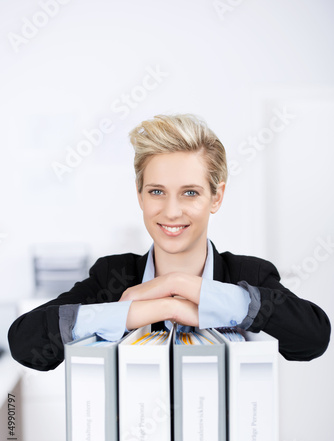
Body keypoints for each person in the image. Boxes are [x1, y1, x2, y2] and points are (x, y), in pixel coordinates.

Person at [8, 114, 331, 371]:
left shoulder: (248, 273)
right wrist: (139, 309)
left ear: (216, 196)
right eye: (156, 192)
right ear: (140, 195)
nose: (171, 211)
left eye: (190, 192)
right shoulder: (112, 277)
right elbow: (26, 344)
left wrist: (186, 287)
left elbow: (312, 340)